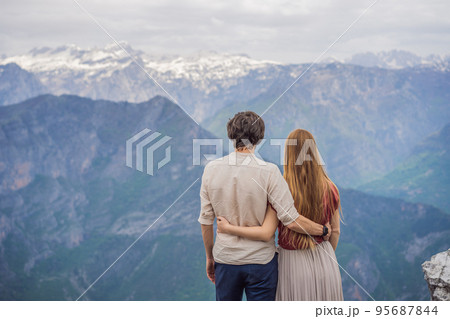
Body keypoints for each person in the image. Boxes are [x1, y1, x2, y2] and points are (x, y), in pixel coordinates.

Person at [198, 112, 331, 301]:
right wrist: (323, 230)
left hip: (225, 259)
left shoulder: (211, 169)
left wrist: (210, 257)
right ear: (259, 138)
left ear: (231, 135)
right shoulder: (269, 172)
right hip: (261, 262)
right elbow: (291, 220)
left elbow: (205, 221)